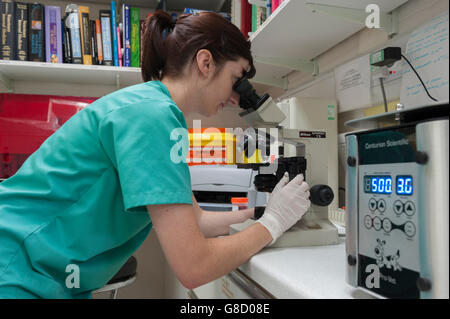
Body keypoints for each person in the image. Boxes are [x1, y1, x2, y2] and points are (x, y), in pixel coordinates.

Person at [0, 11, 310, 299]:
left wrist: (257, 213)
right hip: (15, 265)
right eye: (235, 79)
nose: (235, 97)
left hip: (40, 272)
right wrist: (272, 225)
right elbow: (194, 266)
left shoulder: (154, 109)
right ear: (205, 63)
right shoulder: (152, 117)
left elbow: (197, 220)